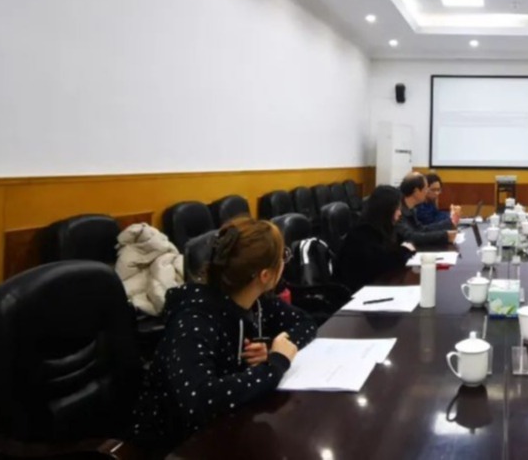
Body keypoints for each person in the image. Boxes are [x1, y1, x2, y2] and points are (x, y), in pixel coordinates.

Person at [131, 217, 316, 454]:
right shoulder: (194, 319)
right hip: (178, 444)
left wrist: (273, 346)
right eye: (283, 257)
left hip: (231, 424)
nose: (284, 263)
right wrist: (275, 365)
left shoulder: (256, 301)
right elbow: (200, 400)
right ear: (265, 275)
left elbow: (305, 322)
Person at [336, 185, 416, 291]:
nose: (400, 213)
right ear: (386, 210)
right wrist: (404, 250)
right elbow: (384, 264)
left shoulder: (382, 227)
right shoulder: (362, 234)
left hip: (376, 285)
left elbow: (400, 243)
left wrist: (404, 248)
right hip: (359, 292)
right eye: (397, 209)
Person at [396, 172, 458, 249]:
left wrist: (449, 224)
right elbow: (410, 237)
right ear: (416, 191)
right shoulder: (397, 210)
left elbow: (420, 229)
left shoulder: (411, 208)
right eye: (425, 189)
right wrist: (445, 236)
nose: (427, 192)